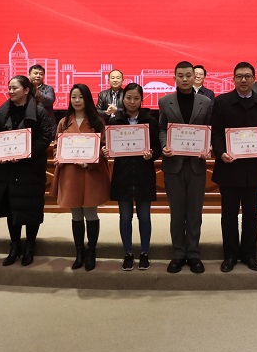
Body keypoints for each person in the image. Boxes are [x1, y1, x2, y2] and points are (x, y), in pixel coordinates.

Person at [212, 61, 257, 272]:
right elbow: (216, 132)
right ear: (233, 79)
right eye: (239, 76)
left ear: (254, 79)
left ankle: (249, 254)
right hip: (229, 167)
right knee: (229, 215)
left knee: (251, 215)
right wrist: (221, 152)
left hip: (253, 168)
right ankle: (230, 255)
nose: (243, 80)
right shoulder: (222, 102)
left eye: (247, 76)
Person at [0, 75, 55, 266]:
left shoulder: (39, 111)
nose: (10, 91)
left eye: (14, 88)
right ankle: (15, 245)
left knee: (31, 208)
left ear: (26, 90)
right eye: (9, 88)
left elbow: (45, 137)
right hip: (7, 169)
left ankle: (30, 247)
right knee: (11, 208)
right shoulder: (2, 111)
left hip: (30, 169)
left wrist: (27, 153)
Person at [158, 61, 213, 274]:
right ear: (174, 78)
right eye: (180, 75)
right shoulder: (165, 101)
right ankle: (178, 254)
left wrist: (208, 146)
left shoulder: (205, 102)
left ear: (195, 77)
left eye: (188, 75)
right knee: (177, 212)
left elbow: (209, 129)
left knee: (194, 212)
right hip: (174, 164)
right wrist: (164, 145)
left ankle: (193, 254)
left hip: (197, 164)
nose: (184, 79)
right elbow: (162, 128)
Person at [51, 84, 111, 271]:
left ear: (87, 99)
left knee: (90, 212)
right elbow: (57, 146)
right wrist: (58, 155)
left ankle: (91, 251)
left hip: (91, 172)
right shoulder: (64, 122)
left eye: (81, 97)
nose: (77, 101)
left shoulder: (97, 121)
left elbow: (103, 148)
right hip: (70, 173)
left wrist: (90, 161)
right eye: (73, 97)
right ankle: (79, 252)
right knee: (76, 214)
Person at [104, 83, 161, 271]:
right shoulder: (116, 121)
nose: (132, 101)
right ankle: (128, 253)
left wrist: (151, 154)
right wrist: (107, 150)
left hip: (144, 175)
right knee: (125, 217)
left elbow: (157, 147)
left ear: (141, 100)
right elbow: (110, 147)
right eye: (128, 98)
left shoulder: (150, 120)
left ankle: (144, 253)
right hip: (123, 175)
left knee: (144, 217)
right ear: (123, 99)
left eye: (136, 98)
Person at [29, 63, 56, 129]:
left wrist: (36, 90)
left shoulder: (48, 89)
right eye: (35, 73)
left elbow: (49, 101)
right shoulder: (25, 89)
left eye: (41, 74)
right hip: (29, 123)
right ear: (29, 75)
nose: (38, 76)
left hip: (46, 124)